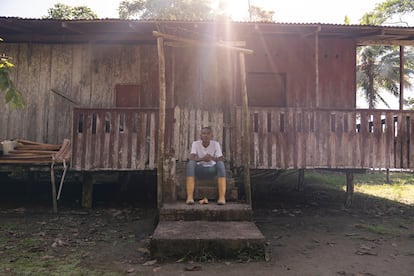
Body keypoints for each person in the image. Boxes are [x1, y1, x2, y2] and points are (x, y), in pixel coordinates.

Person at [185, 126, 226, 205]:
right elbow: (191, 157)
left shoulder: (215, 144)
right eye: (204, 133)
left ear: (211, 136)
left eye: (208, 134)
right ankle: (189, 197)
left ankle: (222, 197)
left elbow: (221, 159)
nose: (206, 135)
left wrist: (212, 158)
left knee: (221, 164)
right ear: (200, 136)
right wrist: (202, 159)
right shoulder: (195, 144)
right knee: (191, 163)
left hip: (212, 171)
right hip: (200, 170)